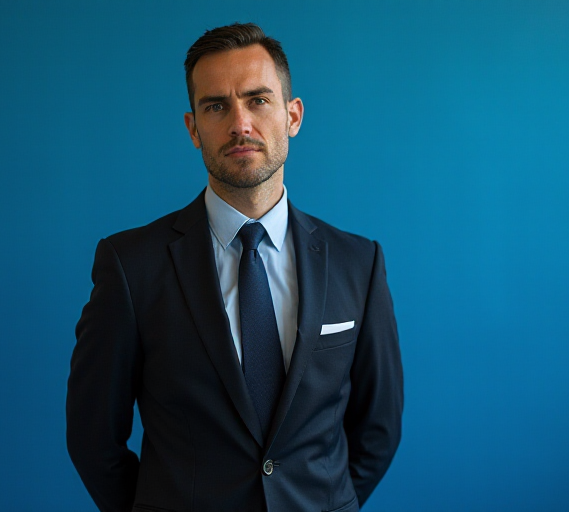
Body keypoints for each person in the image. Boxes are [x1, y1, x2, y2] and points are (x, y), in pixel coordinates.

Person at [67, 22, 403, 512]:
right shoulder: (130, 266)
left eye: (258, 100)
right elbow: (92, 440)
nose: (239, 123)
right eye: (216, 106)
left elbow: (379, 428)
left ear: (293, 115)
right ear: (193, 128)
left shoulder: (359, 262)